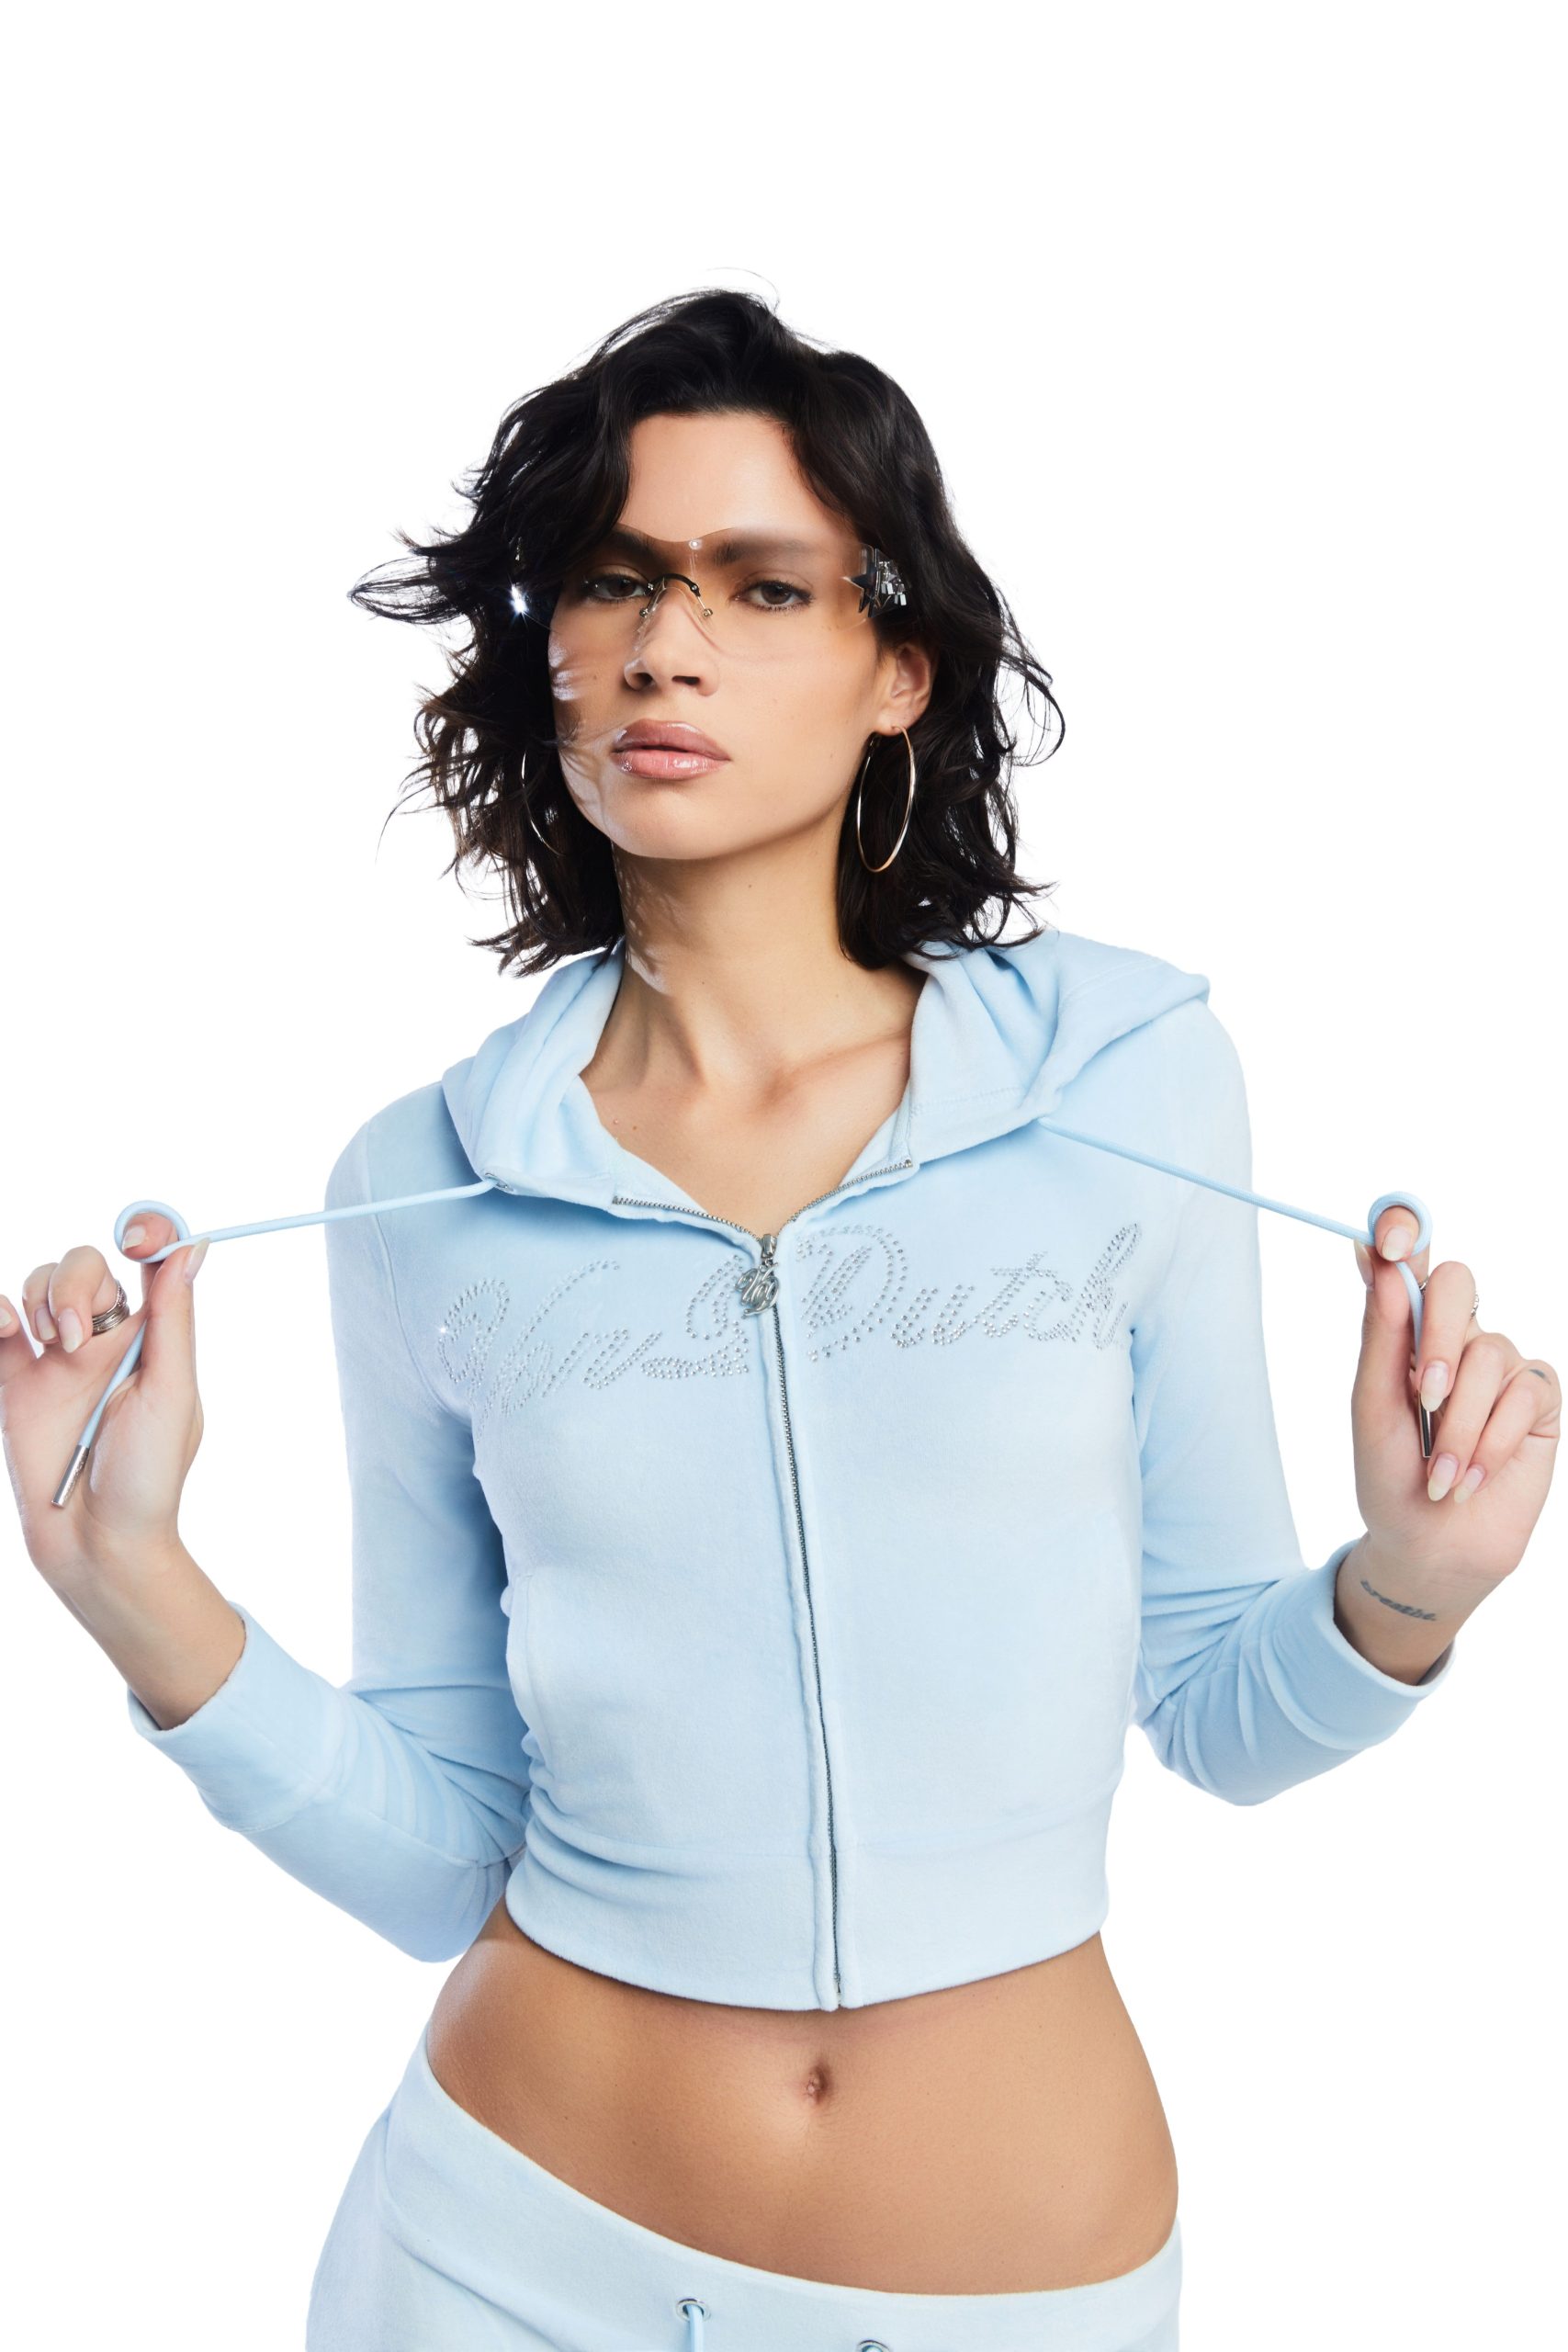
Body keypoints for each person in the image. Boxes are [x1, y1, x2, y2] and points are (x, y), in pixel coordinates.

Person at [4, 290, 1556, 2352]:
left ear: (897, 666)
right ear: (549, 653)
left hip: (1013, 2289)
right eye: (615, 579)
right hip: (499, 2249)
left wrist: (1411, 1583)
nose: (669, 643)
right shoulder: (421, 1187)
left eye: (761, 584)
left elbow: (1216, 1710)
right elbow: (444, 1851)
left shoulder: (1125, 1094)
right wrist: (127, 1582)